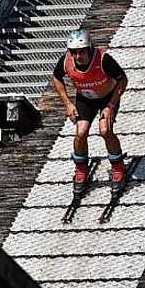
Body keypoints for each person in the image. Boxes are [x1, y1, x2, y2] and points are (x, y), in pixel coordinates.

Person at [52, 29, 128, 193]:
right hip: (85, 99)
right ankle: (81, 169)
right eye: (74, 52)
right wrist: (67, 103)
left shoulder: (103, 59)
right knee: (81, 132)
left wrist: (111, 106)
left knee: (105, 131)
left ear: (89, 49)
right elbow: (56, 77)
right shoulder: (66, 61)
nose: (78, 57)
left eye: (81, 52)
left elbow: (123, 79)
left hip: (107, 97)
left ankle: (118, 167)